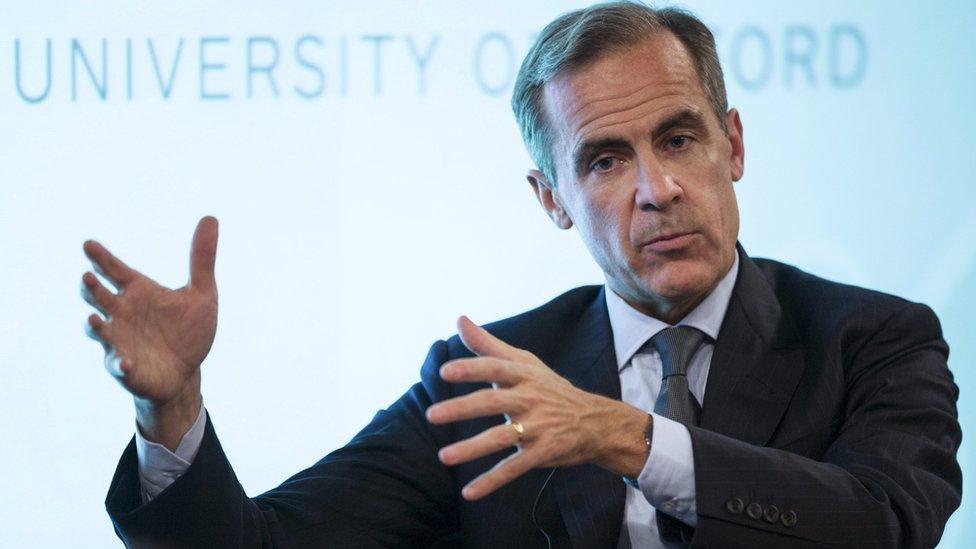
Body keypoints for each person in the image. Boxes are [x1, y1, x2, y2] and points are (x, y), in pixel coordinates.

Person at [81, 2, 961, 547]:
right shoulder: (489, 381)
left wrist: (626, 437)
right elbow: (261, 544)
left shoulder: (873, 339)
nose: (657, 189)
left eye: (680, 138)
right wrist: (172, 410)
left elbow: (885, 524)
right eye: (608, 160)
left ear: (733, 145)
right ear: (552, 198)